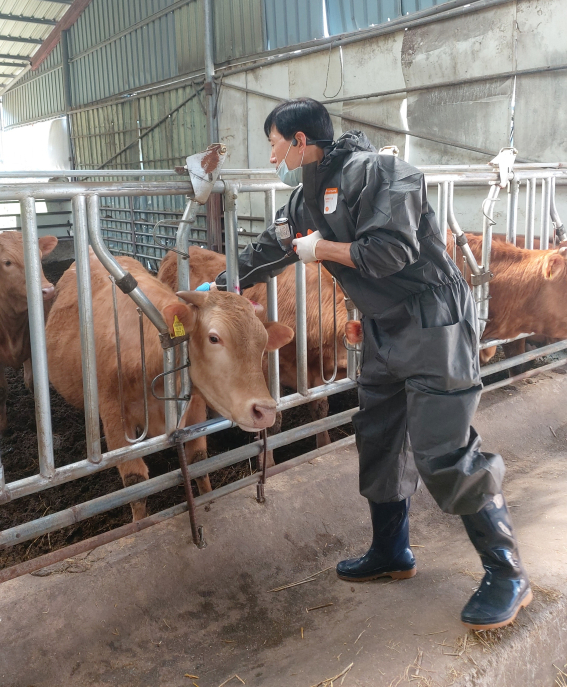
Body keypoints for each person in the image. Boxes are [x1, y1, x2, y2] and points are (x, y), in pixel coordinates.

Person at [203, 97, 532, 630]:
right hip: (383, 326)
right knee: (378, 435)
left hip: (432, 322)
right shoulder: (306, 198)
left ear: (300, 140)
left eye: (273, 144)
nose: (271, 156)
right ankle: (391, 551)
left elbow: (389, 252)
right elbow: (275, 246)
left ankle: (507, 573)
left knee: (442, 451)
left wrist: (322, 251)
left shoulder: (382, 172)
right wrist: (222, 284)